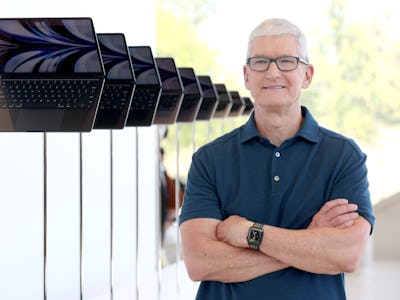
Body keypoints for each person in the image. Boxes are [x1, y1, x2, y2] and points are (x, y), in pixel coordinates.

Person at [179, 18, 375, 300]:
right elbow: (200, 262)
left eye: (286, 61)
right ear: (247, 76)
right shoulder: (209, 160)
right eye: (260, 62)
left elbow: (346, 255)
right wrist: (309, 241)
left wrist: (249, 233)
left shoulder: (344, 157)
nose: (272, 73)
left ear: (307, 75)